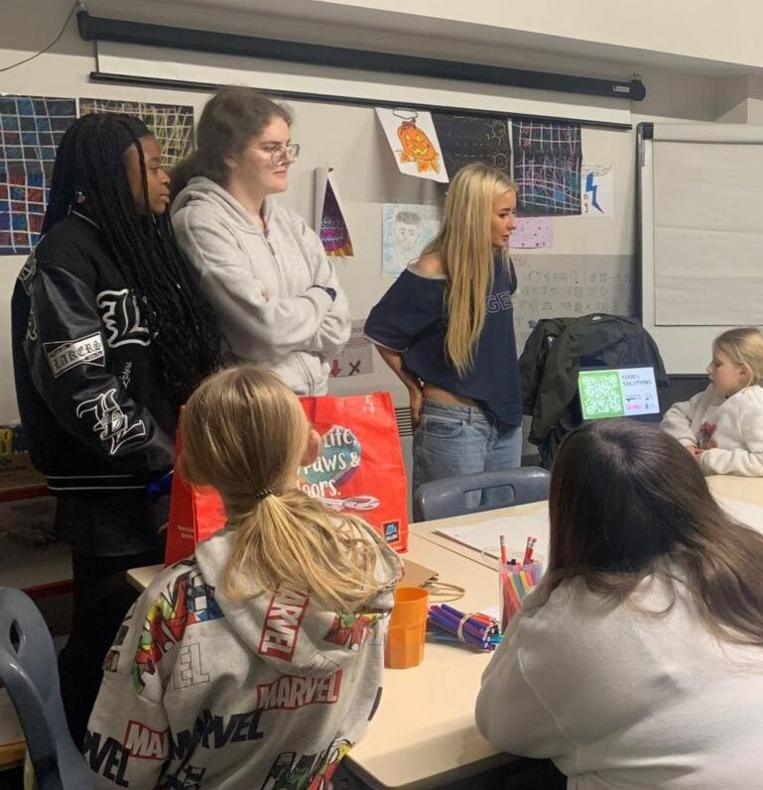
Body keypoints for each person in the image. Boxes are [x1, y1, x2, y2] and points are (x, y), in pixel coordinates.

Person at [475, 420, 763, 789]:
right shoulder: (758, 565)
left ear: (568, 519)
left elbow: (498, 722)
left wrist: (548, 591)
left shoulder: (577, 620)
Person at [10, 113, 226, 744]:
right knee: (110, 634)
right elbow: (82, 390)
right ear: (112, 170)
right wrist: (175, 458)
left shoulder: (144, 244)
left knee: (165, 633)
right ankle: (78, 754)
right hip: (108, 494)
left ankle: (149, 748)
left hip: (173, 483)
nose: (167, 178)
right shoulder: (62, 259)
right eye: (154, 165)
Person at [86, 367, 401, 789]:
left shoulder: (171, 603)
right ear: (312, 447)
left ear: (191, 469)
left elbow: (120, 765)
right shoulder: (363, 565)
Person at [171, 87, 350, 395]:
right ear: (230, 154)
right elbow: (265, 331)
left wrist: (288, 320)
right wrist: (321, 297)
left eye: (288, 146)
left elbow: (340, 328)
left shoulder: (292, 225)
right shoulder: (200, 221)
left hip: (312, 402)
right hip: (251, 412)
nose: (287, 158)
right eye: (271, 148)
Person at [365, 164, 523, 497]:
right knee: (450, 533)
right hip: (454, 425)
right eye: (504, 214)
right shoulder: (431, 271)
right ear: (474, 214)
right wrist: (412, 386)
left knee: (501, 530)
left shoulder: (501, 263)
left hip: (506, 420)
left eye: (512, 213)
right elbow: (381, 331)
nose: (513, 224)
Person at [660, 327, 763, 477]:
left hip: (737, 495)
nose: (709, 368)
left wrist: (707, 459)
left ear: (742, 372)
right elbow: (675, 414)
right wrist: (685, 444)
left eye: (717, 364)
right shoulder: (711, 394)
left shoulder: (755, 408)